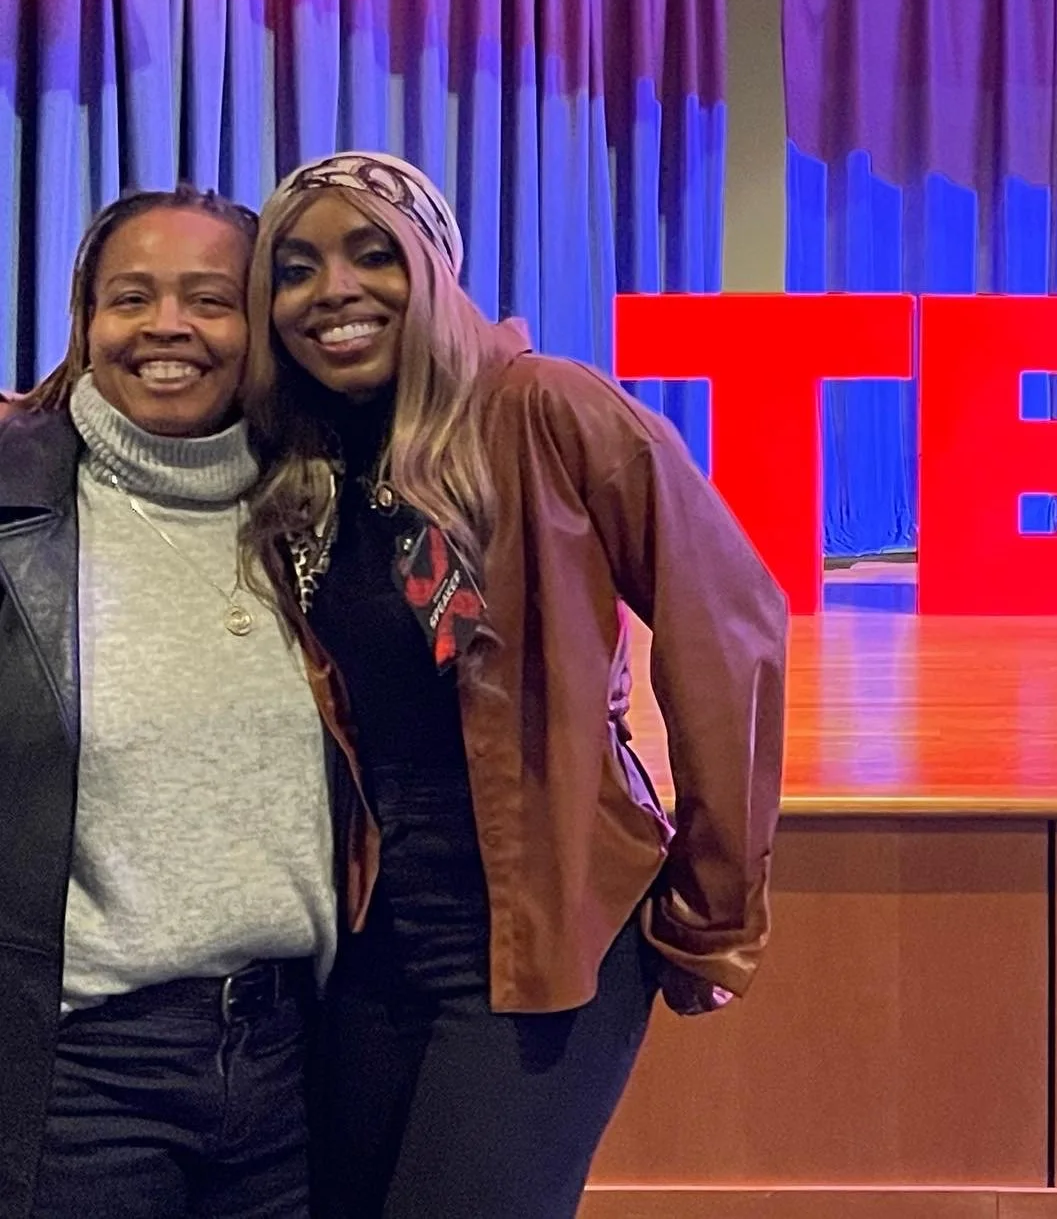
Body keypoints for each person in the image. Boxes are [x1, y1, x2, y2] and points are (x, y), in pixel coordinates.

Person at [242, 151, 788, 1219]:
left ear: (434, 266)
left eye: (372, 254)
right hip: (372, 949)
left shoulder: (543, 408)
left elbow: (730, 631)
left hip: (544, 936)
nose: (333, 291)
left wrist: (714, 906)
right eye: (295, 269)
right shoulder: (300, 459)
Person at [0, 187, 336, 1219]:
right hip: (79, 1080)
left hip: (298, 1069)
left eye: (210, 299)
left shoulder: (327, 512)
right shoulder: (13, 513)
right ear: (85, 321)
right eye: (131, 297)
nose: (167, 327)